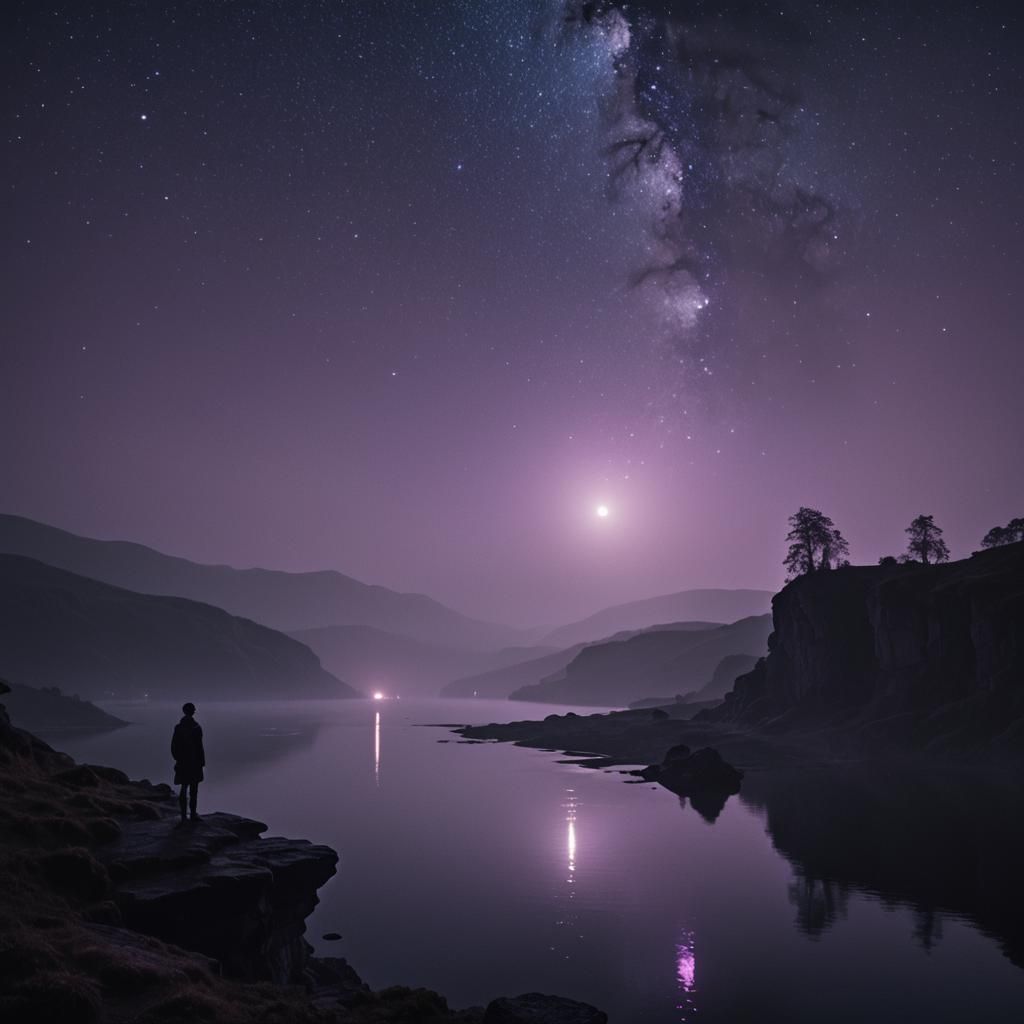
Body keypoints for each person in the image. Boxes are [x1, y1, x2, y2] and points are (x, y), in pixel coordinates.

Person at [171, 702, 205, 824]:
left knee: (185, 788)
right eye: (193, 709)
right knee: (192, 789)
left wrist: (178, 759)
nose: (194, 711)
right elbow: (200, 748)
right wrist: (201, 762)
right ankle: (191, 815)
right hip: (193, 762)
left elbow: (173, 747)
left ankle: (185, 816)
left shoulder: (179, 727)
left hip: (184, 762)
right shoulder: (196, 727)